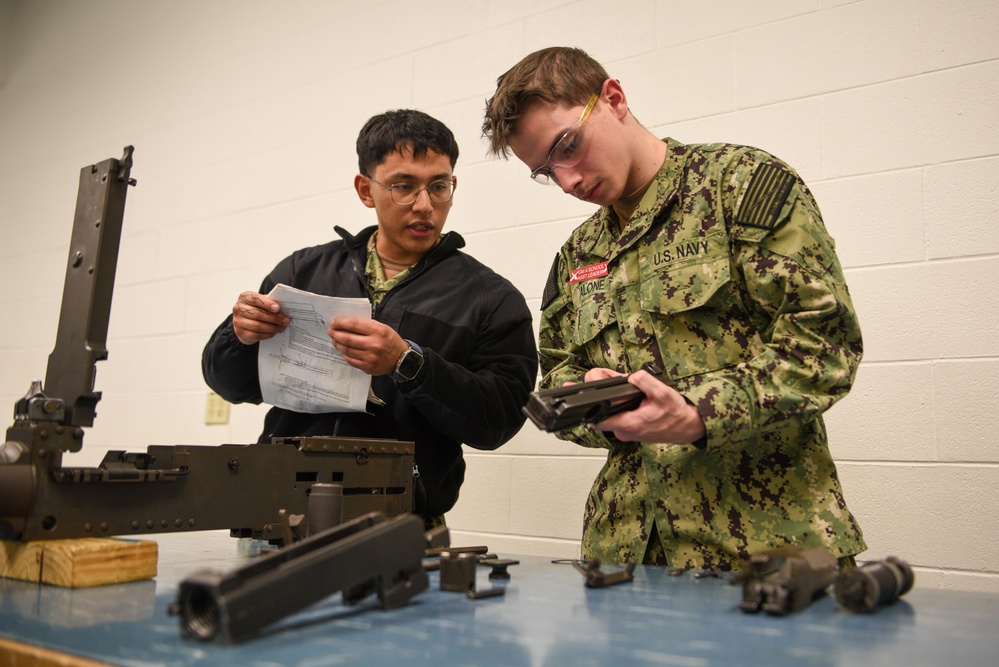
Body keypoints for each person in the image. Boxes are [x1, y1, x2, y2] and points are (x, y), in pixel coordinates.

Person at [482, 47, 866, 570]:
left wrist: (697, 413)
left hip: (767, 549)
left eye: (568, 146)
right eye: (547, 171)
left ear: (613, 98)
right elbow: (558, 375)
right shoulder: (578, 254)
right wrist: (594, 401)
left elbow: (825, 349)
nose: (568, 180)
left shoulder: (741, 186)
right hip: (626, 554)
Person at [203, 109, 538, 528]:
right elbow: (228, 385)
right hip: (277, 514)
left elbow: (500, 421)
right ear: (366, 189)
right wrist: (238, 335)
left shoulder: (489, 298)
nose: (424, 206)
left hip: (403, 525)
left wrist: (408, 363)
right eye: (403, 186)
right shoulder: (300, 274)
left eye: (439, 186)